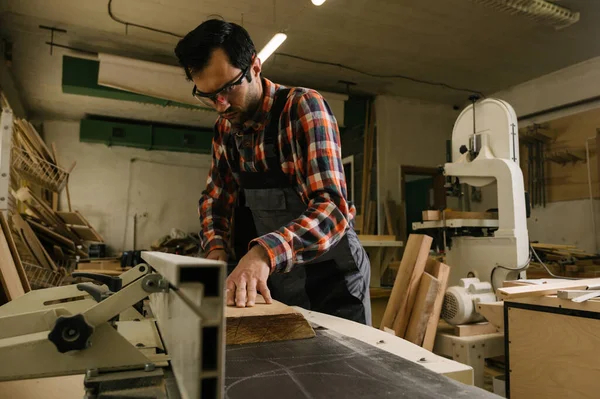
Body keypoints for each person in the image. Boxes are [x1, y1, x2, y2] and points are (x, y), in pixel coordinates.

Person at [175, 19, 371, 325]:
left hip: (332, 276)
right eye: (209, 96)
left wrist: (263, 254)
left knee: (342, 367)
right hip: (281, 277)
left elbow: (332, 209)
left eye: (227, 89)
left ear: (255, 65)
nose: (220, 106)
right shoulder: (225, 128)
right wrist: (215, 246)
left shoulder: (303, 108)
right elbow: (216, 198)